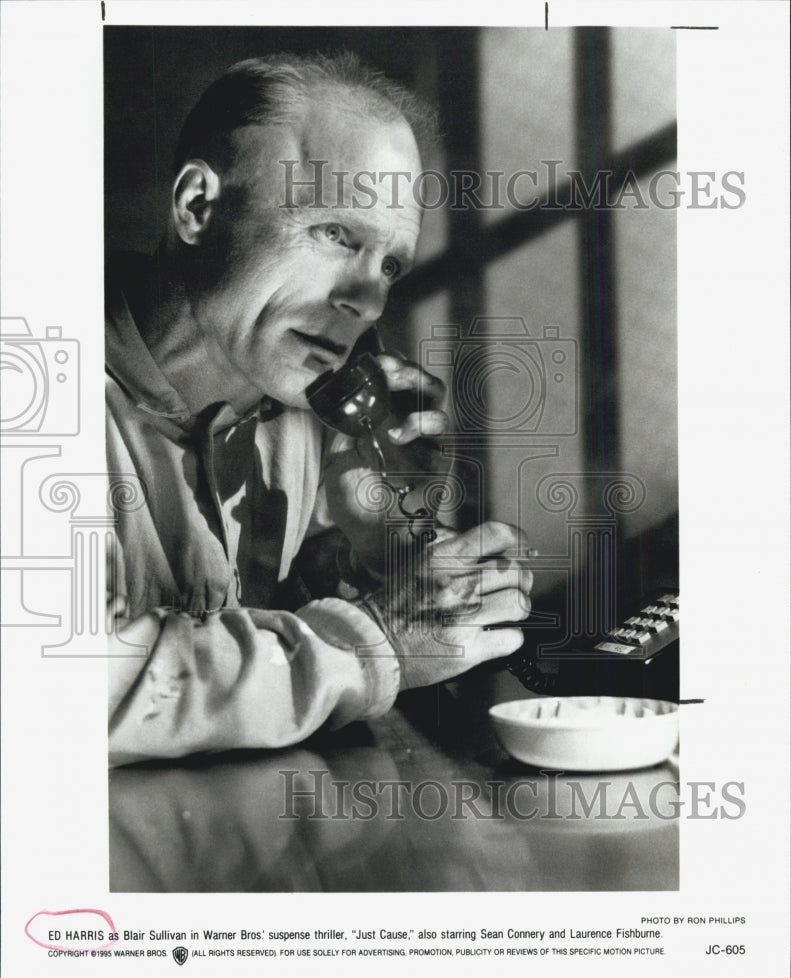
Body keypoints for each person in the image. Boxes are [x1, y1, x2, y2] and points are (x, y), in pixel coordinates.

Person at [106, 53, 533, 766]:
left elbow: (261, 633)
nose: (364, 301)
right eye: (336, 235)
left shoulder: (295, 413)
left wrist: (383, 549)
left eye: (389, 265)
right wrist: (371, 643)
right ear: (196, 208)